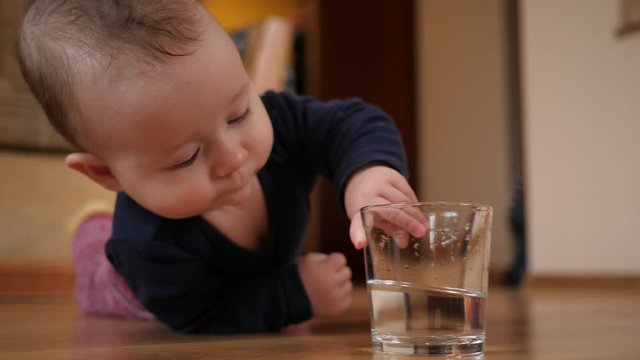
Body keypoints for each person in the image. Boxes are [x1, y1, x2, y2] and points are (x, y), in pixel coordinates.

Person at [17, 0, 427, 334]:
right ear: (107, 175)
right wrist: (294, 294)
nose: (233, 156)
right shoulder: (147, 247)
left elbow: (348, 124)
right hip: (140, 290)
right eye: (186, 157)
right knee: (100, 280)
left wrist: (367, 175)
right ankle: (93, 235)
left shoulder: (279, 123)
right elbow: (204, 311)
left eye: (237, 113)